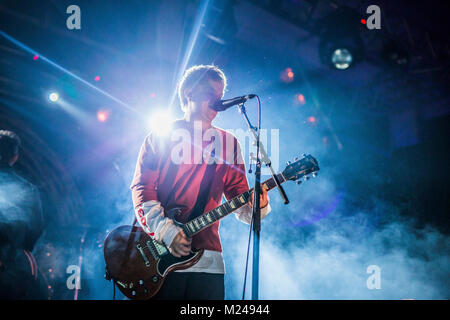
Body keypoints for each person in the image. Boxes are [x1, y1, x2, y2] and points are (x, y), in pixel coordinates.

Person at [130, 65, 271, 300]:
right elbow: (142, 189)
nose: (217, 103)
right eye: (210, 95)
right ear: (189, 93)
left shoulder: (228, 143)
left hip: (208, 262)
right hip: (160, 260)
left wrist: (259, 205)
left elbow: (242, 203)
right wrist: (167, 231)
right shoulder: (160, 137)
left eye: (220, 97)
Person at [0, 130, 46, 299]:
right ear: (15, 156)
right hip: (16, 268)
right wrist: (20, 249)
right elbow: (37, 227)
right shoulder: (28, 189)